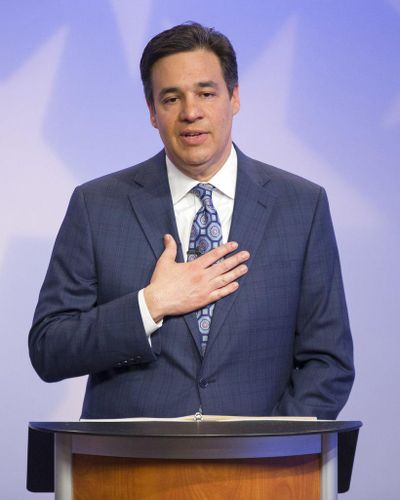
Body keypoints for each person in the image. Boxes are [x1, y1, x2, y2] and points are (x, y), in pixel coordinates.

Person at [29, 22, 354, 420]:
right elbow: (49, 348)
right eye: (171, 98)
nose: (191, 112)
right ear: (152, 112)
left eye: (206, 92)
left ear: (234, 97)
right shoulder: (96, 205)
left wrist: (270, 445)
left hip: (258, 470)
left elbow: (328, 361)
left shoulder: (302, 206)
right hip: (127, 468)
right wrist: (151, 304)